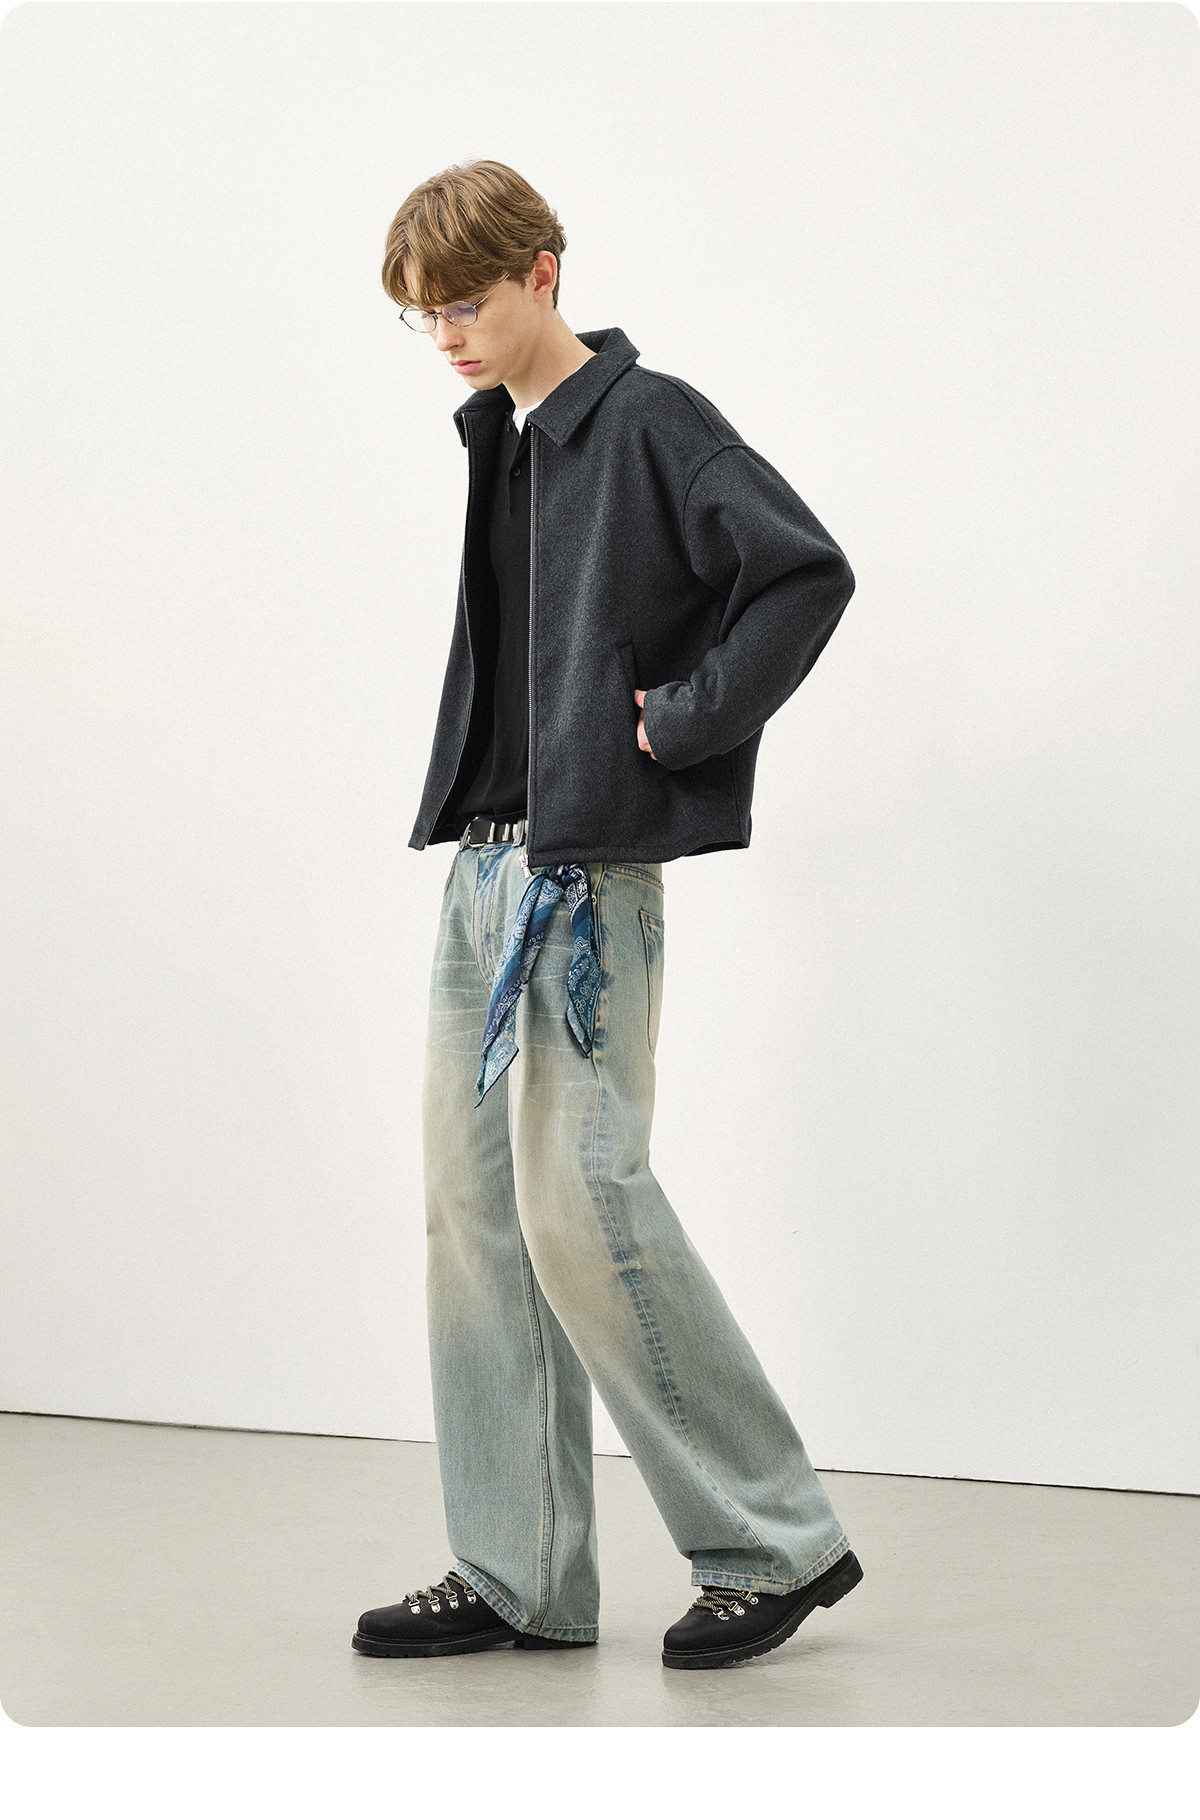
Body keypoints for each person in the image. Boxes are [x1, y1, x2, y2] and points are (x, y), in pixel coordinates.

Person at [353, 159, 862, 1671]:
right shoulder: (503, 441)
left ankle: (774, 1543)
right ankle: (517, 1570)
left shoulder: (648, 421)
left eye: (466, 302)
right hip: (483, 870)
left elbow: (803, 575)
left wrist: (682, 722)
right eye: (423, 315)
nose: (446, 335)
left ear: (544, 272)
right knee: (474, 1219)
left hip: (581, 886)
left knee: (586, 1201)